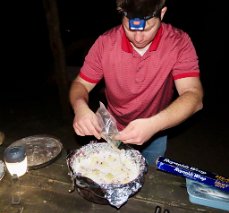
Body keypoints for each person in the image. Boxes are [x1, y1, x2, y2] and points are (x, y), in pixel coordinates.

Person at [69, 0, 204, 166]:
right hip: (113, 128)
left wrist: (155, 124)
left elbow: (194, 96)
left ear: (162, 13)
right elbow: (80, 84)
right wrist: (79, 106)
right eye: (130, 29)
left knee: (151, 176)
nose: (138, 38)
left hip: (157, 127)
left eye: (147, 29)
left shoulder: (178, 42)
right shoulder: (105, 43)